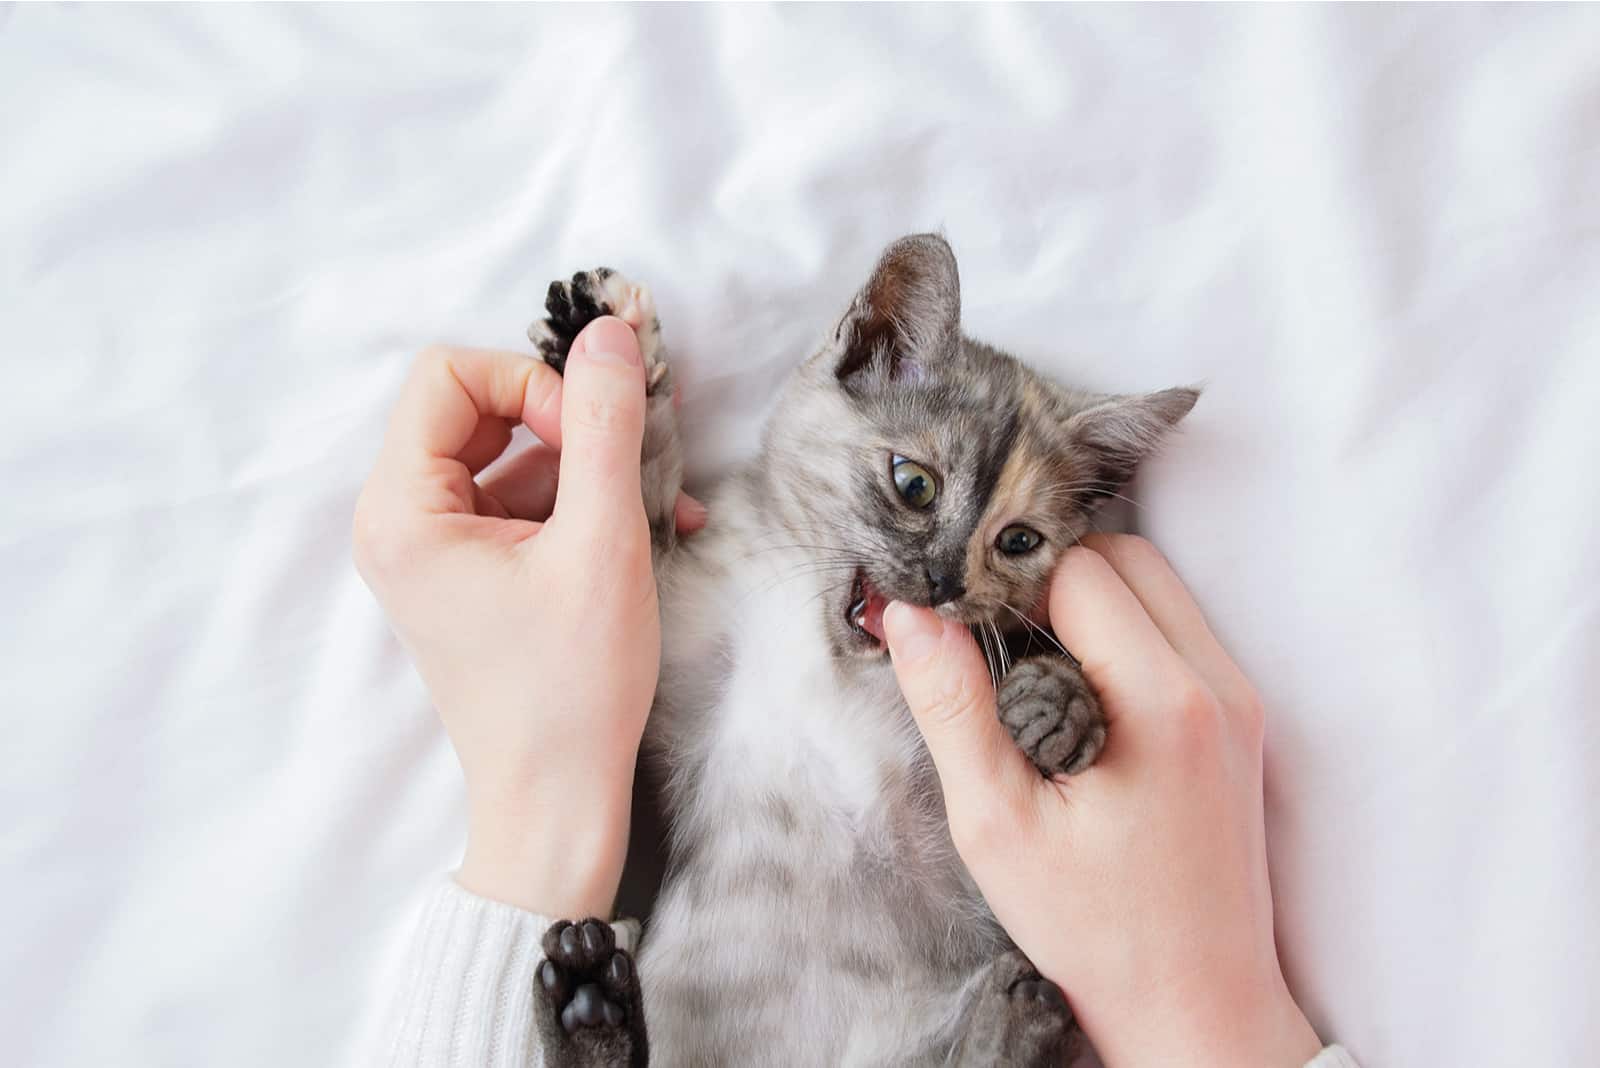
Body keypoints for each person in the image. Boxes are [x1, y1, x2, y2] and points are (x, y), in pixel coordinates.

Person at [355, 318, 1357, 1067]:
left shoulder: (979, 658)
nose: (942, 575)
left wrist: (1050, 692)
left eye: (1012, 542)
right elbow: (655, 673)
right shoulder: (765, 557)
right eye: (914, 489)